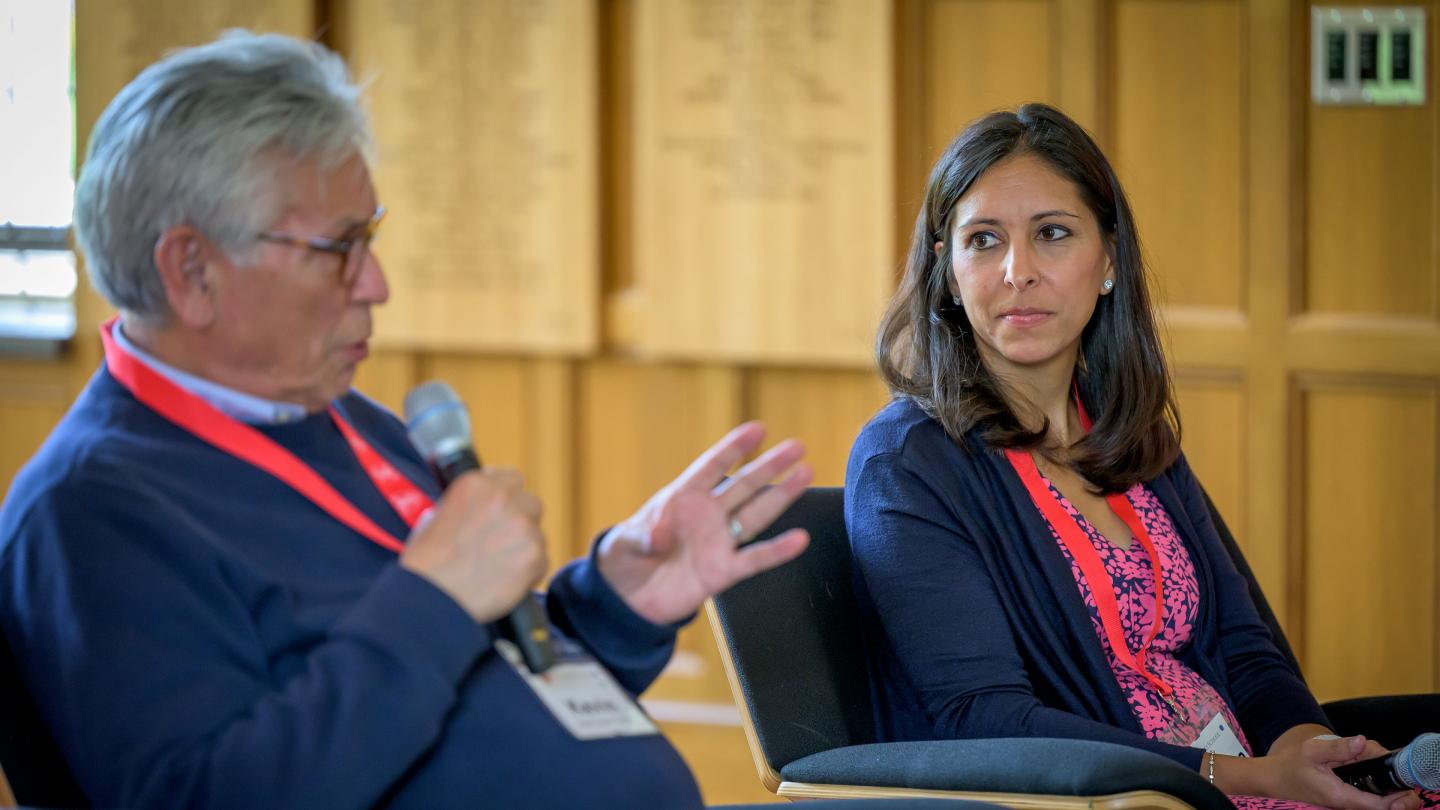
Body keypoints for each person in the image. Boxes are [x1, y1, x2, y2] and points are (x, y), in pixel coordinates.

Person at [0, 31, 825, 809]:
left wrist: (615, 601)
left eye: (372, 238)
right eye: (339, 247)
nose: (376, 285)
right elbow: (213, 794)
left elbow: (466, 690)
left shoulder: (344, 419)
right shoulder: (91, 512)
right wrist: (432, 598)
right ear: (192, 269)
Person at [844, 103, 1435, 810]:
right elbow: (983, 718)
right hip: (1114, 799)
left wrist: (1312, 759)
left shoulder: (1130, 433)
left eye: (1053, 234)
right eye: (983, 240)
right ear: (947, 272)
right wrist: (1241, 780)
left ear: (1109, 262)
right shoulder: (906, 463)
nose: (1016, 271)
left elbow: (1246, 651)